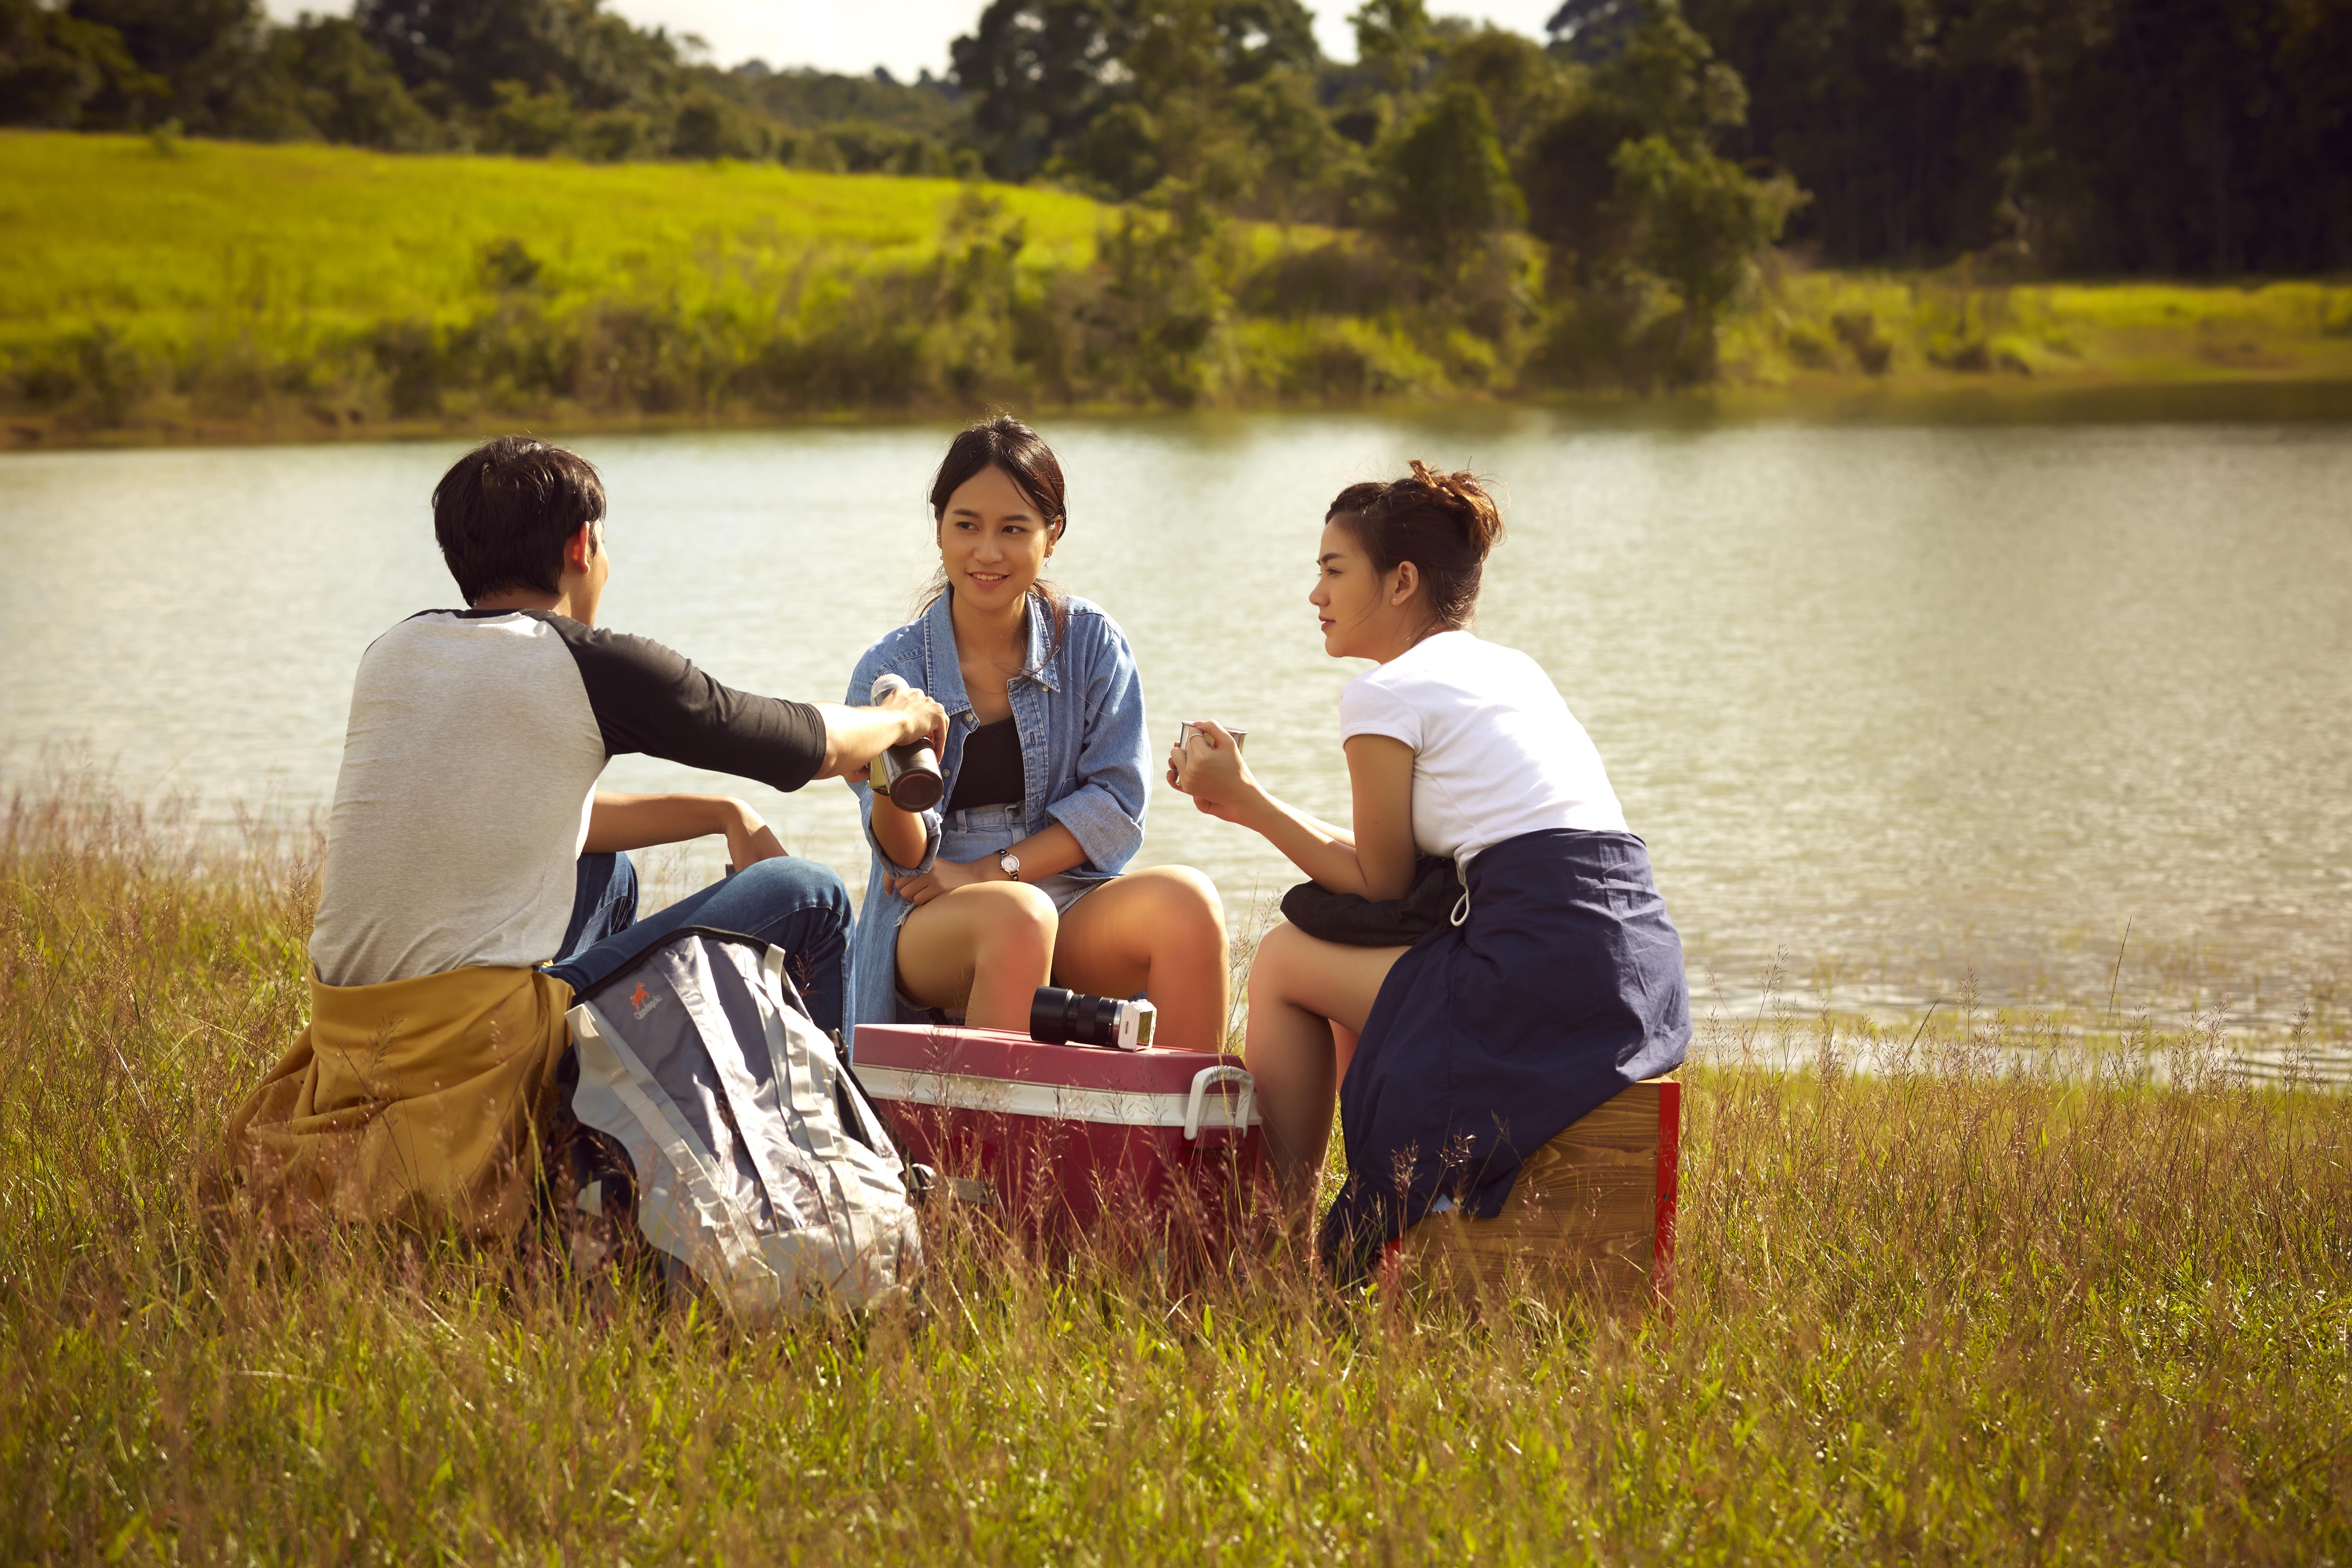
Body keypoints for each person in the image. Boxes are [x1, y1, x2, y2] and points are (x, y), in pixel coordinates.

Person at [223, 436, 944, 1236]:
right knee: (808, 897)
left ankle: (590, 1155)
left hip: (356, 1035)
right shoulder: (581, 663)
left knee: (608, 873)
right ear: (582, 545)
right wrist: (902, 721)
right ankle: (847, 1183)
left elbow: (543, 822)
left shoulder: (395, 652)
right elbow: (807, 745)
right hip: (475, 1038)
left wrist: (723, 816)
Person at [1170, 462, 1690, 1279]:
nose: (1316, 595)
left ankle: (1274, 1256)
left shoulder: (1386, 692)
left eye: (1333, 571)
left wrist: (1246, 800)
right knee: (1350, 957)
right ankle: (1363, 1238)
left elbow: (1377, 883)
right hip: (1635, 970)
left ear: (1402, 580)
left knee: (1280, 961)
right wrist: (1246, 800)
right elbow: (1405, 871)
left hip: (1538, 974)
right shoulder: (1513, 671)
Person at [845, 415, 1229, 1053]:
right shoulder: (893, 673)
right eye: (966, 526)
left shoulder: (1091, 643)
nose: (987, 552)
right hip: (928, 919)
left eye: (1014, 529)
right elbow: (903, 860)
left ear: (1052, 536)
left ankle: (1187, 1144)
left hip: (1061, 893)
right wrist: (891, 777)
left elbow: (1116, 807)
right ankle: (992, 1152)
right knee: (1020, 917)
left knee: (1189, 902)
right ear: (939, 530)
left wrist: (993, 872)